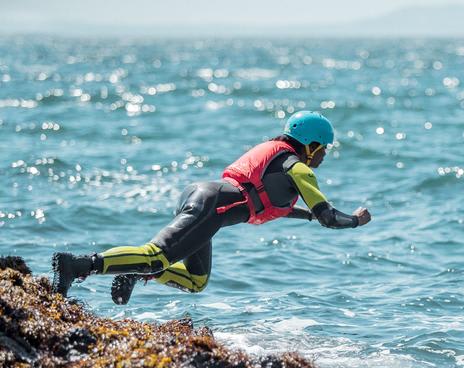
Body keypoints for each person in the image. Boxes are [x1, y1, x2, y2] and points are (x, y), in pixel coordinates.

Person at [51, 111, 371, 304]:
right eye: (324, 149)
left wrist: (309, 216)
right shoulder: (298, 168)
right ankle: (79, 265)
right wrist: (355, 220)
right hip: (211, 206)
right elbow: (329, 217)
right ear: (312, 146)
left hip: (206, 200)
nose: (325, 155)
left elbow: (279, 207)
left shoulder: (279, 162)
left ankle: (134, 275)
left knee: (195, 281)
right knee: (155, 256)